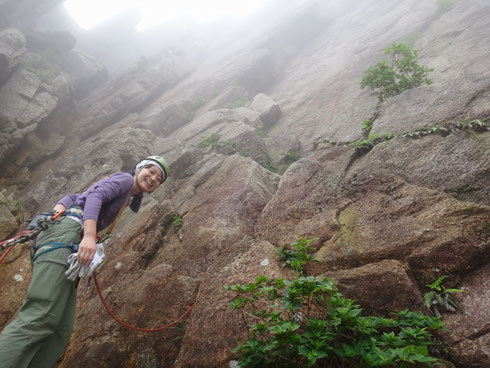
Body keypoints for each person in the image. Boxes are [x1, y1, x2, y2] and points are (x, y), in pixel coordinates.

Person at [0, 155, 170, 368]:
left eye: (158, 178)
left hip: (68, 237)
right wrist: (88, 235)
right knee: (40, 316)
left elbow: (74, 196)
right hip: (66, 236)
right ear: (139, 169)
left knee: (60, 329)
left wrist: (58, 211)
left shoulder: (126, 194)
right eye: (151, 171)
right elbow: (95, 195)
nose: (153, 178)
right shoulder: (125, 180)